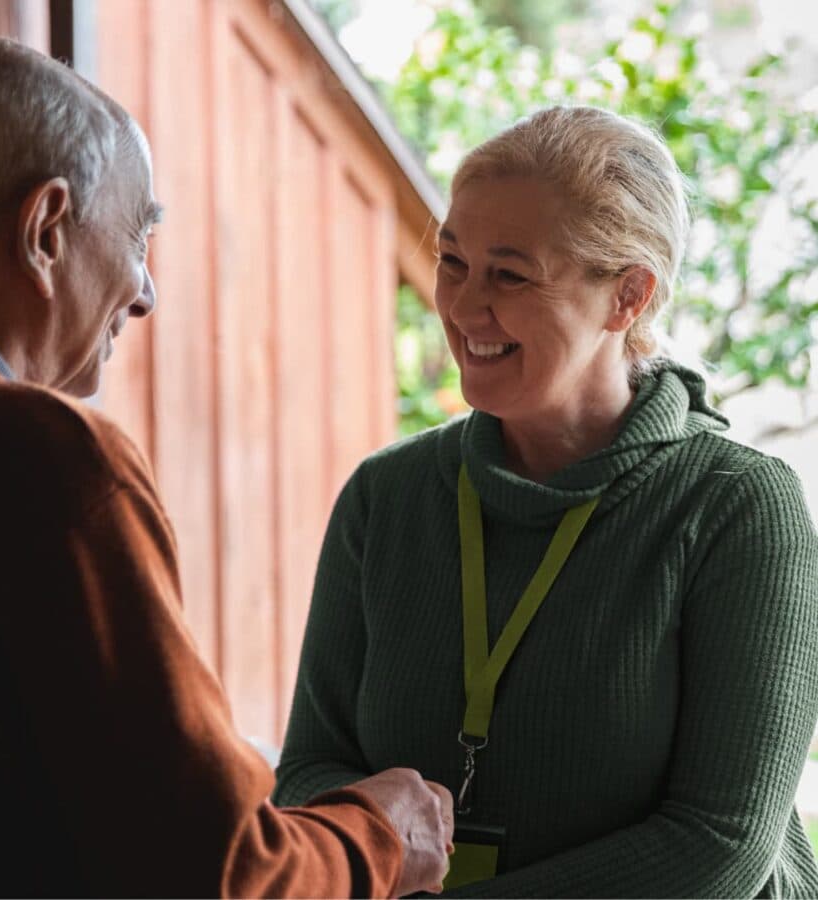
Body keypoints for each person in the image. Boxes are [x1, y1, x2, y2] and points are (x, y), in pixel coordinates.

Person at [0, 36, 454, 898]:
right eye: (137, 235)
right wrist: (380, 836)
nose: (146, 290)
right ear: (45, 229)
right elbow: (217, 873)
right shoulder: (42, 464)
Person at [274, 105, 818, 897]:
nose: (461, 309)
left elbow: (721, 847)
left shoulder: (736, 508)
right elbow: (309, 774)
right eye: (452, 261)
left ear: (628, 297)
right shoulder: (384, 498)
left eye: (510, 274)